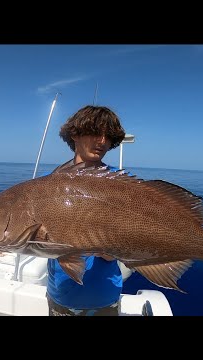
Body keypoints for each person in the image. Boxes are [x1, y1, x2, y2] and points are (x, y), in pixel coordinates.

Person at [46, 105, 127, 316]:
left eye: (108, 136)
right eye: (94, 132)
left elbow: (125, 242)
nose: (102, 141)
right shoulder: (49, 185)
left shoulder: (121, 185)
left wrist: (109, 249)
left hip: (105, 298)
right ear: (75, 134)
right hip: (61, 295)